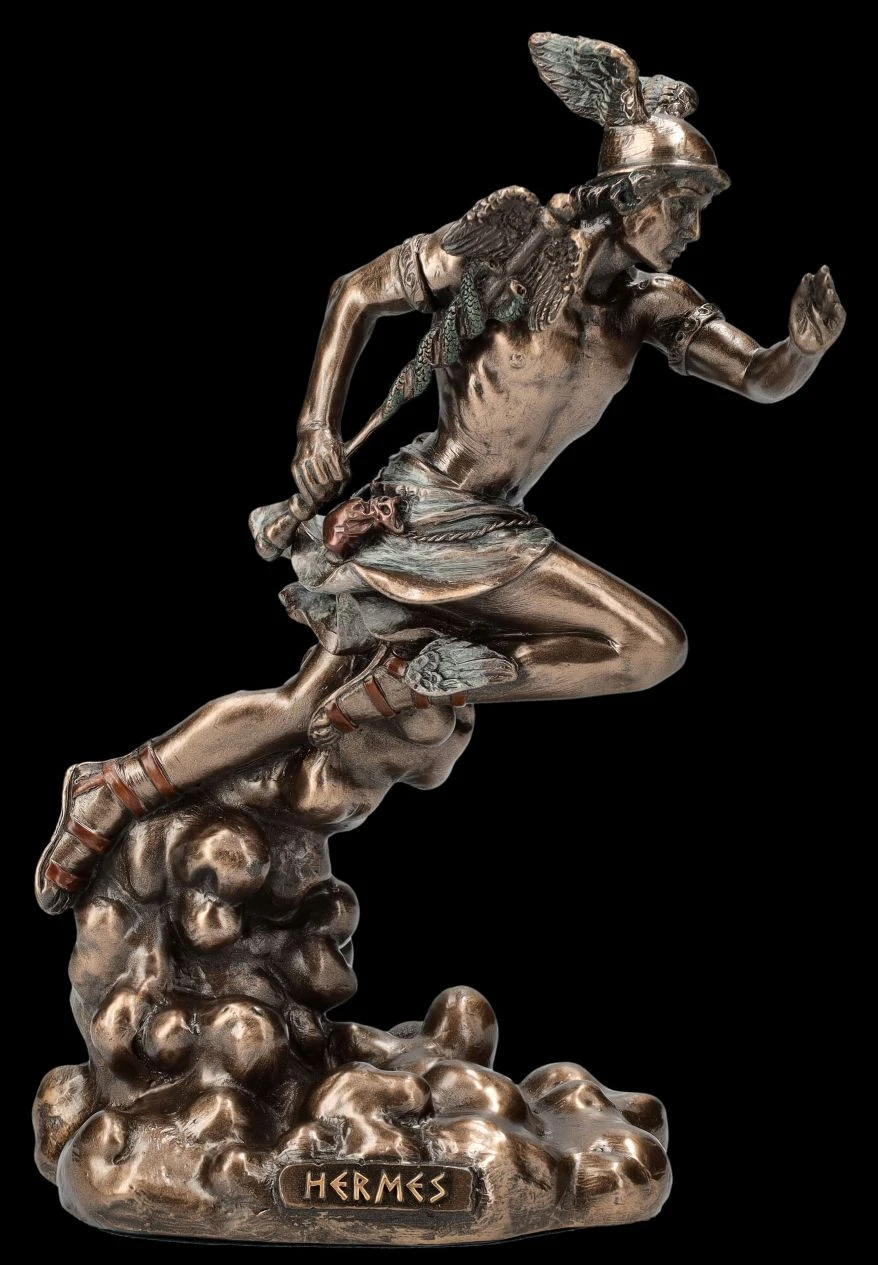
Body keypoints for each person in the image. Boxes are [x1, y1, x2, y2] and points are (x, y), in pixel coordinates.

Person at [36, 34, 845, 914]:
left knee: (306, 703)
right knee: (649, 647)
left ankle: (120, 783)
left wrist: (801, 350)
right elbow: (356, 292)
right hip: (424, 511)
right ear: (628, 195)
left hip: (499, 526)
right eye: (681, 206)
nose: (693, 230)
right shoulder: (516, 248)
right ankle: (126, 786)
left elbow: (759, 377)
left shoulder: (652, 306)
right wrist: (314, 425)